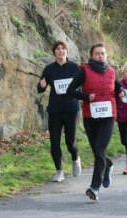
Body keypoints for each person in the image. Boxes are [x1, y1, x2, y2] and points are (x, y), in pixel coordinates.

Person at [67, 43, 124, 201]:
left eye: (103, 53)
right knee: (97, 152)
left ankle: (94, 187)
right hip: (90, 116)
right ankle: (108, 165)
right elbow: (70, 90)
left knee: (99, 150)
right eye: (97, 53)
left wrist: (121, 92)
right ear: (92, 56)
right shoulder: (83, 71)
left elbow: (118, 87)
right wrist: (86, 97)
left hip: (108, 115)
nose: (101, 56)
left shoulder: (112, 71)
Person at [37, 40, 81, 182]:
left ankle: (75, 159)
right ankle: (59, 171)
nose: (61, 51)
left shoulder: (74, 68)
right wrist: (42, 85)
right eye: (58, 49)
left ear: (66, 52)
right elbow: (40, 88)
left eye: (63, 49)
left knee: (70, 142)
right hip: (55, 110)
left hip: (71, 109)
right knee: (54, 142)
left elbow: (81, 87)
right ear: (54, 52)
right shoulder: (49, 69)